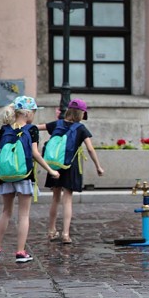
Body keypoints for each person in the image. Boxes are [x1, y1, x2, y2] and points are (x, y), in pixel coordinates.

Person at [0, 96, 60, 263]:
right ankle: (20, 252)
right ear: (28, 112)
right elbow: (36, 154)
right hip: (24, 176)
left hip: (6, 177)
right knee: (23, 215)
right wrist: (51, 170)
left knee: (5, 212)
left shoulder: (4, 129)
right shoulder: (32, 130)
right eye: (34, 112)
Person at [42, 99, 105, 245]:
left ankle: (51, 231)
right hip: (70, 166)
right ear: (81, 113)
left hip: (54, 165)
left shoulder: (56, 124)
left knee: (55, 198)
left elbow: (36, 127)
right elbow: (90, 149)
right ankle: (65, 233)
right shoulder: (80, 128)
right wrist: (98, 166)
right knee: (67, 199)